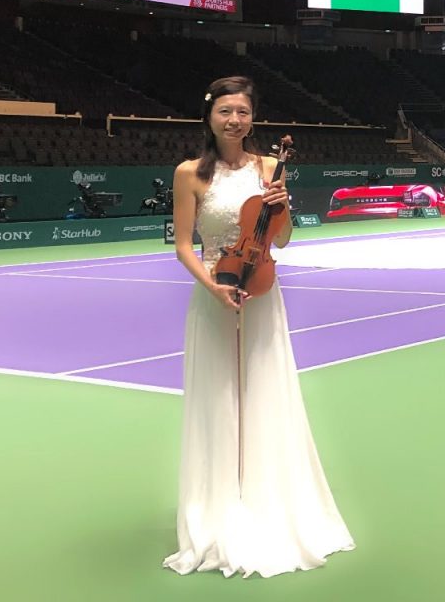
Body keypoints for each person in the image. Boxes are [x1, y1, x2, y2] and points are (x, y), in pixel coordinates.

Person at [166, 76, 354, 579]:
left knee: (264, 394)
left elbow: (284, 238)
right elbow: (184, 245)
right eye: (225, 111)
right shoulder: (188, 173)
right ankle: (219, 506)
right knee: (218, 400)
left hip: (263, 292)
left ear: (253, 118)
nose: (234, 120)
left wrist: (282, 202)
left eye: (243, 112)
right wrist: (214, 287)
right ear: (209, 116)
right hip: (215, 295)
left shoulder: (270, 167)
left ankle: (267, 502)